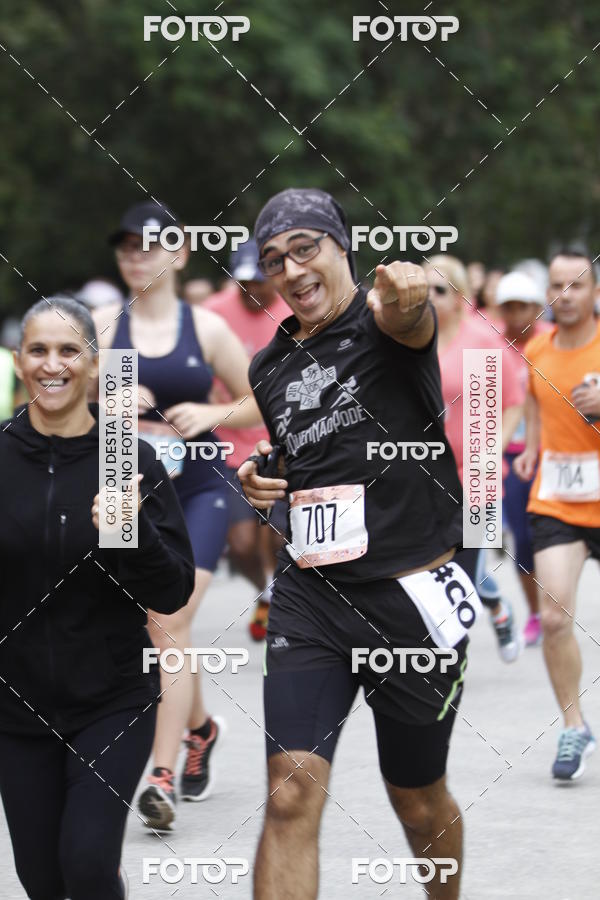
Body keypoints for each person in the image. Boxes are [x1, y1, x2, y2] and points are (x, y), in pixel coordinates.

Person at [238, 188, 481, 900]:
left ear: (344, 245)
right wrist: (263, 479)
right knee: (289, 793)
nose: (290, 269)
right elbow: (304, 460)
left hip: (412, 598)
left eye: (306, 247)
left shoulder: (387, 324)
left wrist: (407, 296)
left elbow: (409, 317)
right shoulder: (269, 367)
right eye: (275, 258)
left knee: (416, 797)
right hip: (312, 598)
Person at [0, 295, 195, 900]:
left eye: (68, 351)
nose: (51, 364)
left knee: (86, 863)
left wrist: (128, 536)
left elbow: (174, 588)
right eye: (38, 350)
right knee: (42, 880)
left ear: (93, 364)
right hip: (16, 707)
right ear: (19, 360)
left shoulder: (127, 460)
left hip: (112, 701)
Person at [94, 200, 262, 830]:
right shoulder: (105, 325)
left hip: (199, 487)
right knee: (147, 627)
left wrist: (213, 415)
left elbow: (263, 400)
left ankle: (158, 777)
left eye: (150, 243)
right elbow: (67, 403)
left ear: (180, 250)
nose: (137, 253)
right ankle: (201, 728)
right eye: (126, 245)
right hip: (125, 484)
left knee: (168, 621)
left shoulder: (208, 330)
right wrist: (111, 397)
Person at [514, 249, 600, 781]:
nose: (563, 296)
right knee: (552, 617)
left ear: (594, 293)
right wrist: (531, 445)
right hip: (557, 501)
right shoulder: (536, 347)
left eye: (575, 286)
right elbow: (532, 400)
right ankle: (573, 726)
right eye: (556, 285)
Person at [424, 255, 524, 662]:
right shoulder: (415, 339)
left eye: (440, 290)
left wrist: (493, 449)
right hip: (429, 472)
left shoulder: (480, 341)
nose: (429, 297)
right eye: (424, 288)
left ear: (460, 296)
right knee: (440, 565)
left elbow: (513, 404)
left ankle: (456, 647)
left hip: (479, 476)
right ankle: (494, 605)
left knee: (469, 564)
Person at [205, 239, 290, 640]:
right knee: (240, 545)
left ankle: (283, 599)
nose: (252, 291)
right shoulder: (213, 315)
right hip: (226, 443)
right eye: (244, 283)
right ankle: (267, 592)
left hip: (281, 441)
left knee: (275, 535)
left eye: (260, 282)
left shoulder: (294, 310)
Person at [495, 271, 551, 645]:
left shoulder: (552, 340)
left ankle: (555, 604)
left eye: (524, 306)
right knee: (524, 541)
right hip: (511, 458)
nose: (517, 314)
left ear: (536, 307)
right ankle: (534, 612)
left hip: (554, 455)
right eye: (509, 307)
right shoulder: (490, 345)